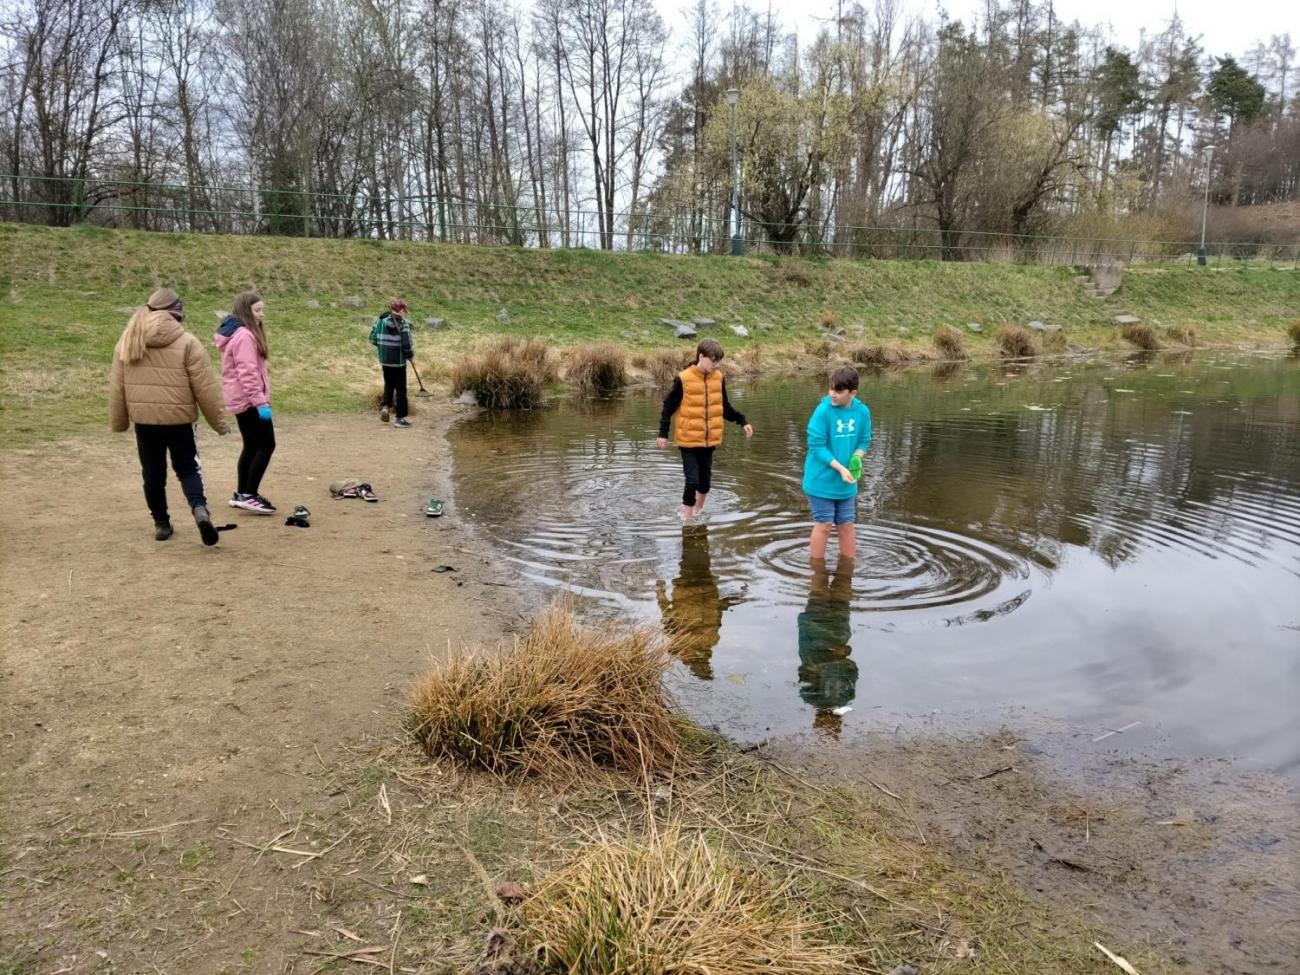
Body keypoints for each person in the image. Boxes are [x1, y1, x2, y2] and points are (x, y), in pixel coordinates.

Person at [109, 287, 226, 545]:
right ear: (177, 312)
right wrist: (219, 423)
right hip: (179, 419)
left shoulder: (129, 339)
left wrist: (119, 421)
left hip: (144, 420)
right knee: (187, 469)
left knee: (152, 473)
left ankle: (161, 523)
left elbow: (117, 386)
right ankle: (199, 509)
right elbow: (205, 388)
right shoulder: (188, 342)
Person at [656, 338, 753, 521]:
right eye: (713, 361)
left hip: (709, 440)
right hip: (688, 440)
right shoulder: (683, 378)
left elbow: (724, 407)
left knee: (705, 482)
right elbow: (668, 407)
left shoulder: (719, 378)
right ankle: (687, 519)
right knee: (692, 480)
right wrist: (663, 433)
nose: (716, 365)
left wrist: (742, 421)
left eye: (718, 361)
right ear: (701, 357)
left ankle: (698, 512)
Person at [655, 525, 744, 680]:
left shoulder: (685, 643)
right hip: (703, 586)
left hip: (689, 587)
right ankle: (695, 521)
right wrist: (736, 598)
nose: (706, 665)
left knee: (692, 550)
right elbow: (718, 611)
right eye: (707, 667)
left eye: (704, 667)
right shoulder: (711, 640)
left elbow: (667, 616)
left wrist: (660, 592)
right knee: (699, 549)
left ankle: (692, 521)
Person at [802, 364, 872, 560]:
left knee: (846, 524)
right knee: (824, 524)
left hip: (846, 481)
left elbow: (864, 440)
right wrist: (840, 468)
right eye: (831, 388)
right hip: (820, 480)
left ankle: (848, 568)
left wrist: (857, 457)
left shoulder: (862, 412)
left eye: (839, 391)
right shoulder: (823, 411)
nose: (832, 394)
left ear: (852, 393)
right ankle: (817, 571)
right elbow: (816, 446)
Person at [215, 292, 277, 513]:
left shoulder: (243, 334)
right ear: (245, 311)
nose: (261, 314)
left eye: (262, 310)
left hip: (243, 399)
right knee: (266, 445)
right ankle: (249, 494)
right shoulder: (244, 336)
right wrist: (261, 404)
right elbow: (247, 373)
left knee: (251, 445)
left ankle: (242, 493)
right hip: (249, 401)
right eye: (257, 310)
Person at [797, 555, 858, 739]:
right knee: (821, 585)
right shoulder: (810, 696)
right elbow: (806, 669)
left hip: (832, 632)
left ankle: (841, 561)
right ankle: (836, 560)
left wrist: (839, 655)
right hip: (819, 630)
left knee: (839, 587)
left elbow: (852, 669)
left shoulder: (845, 696)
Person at [369, 299, 414, 427]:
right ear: (401, 310)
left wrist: (383, 347)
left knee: (389, 384)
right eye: (404, 310)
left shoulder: (380, 321)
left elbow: (372, 338)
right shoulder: (403, 324)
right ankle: (400, 419)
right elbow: (407, 344)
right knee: (401, 389)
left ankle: (386, 407)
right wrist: (410, 355)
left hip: (385, 360)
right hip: (399, 362)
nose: (405, 312)